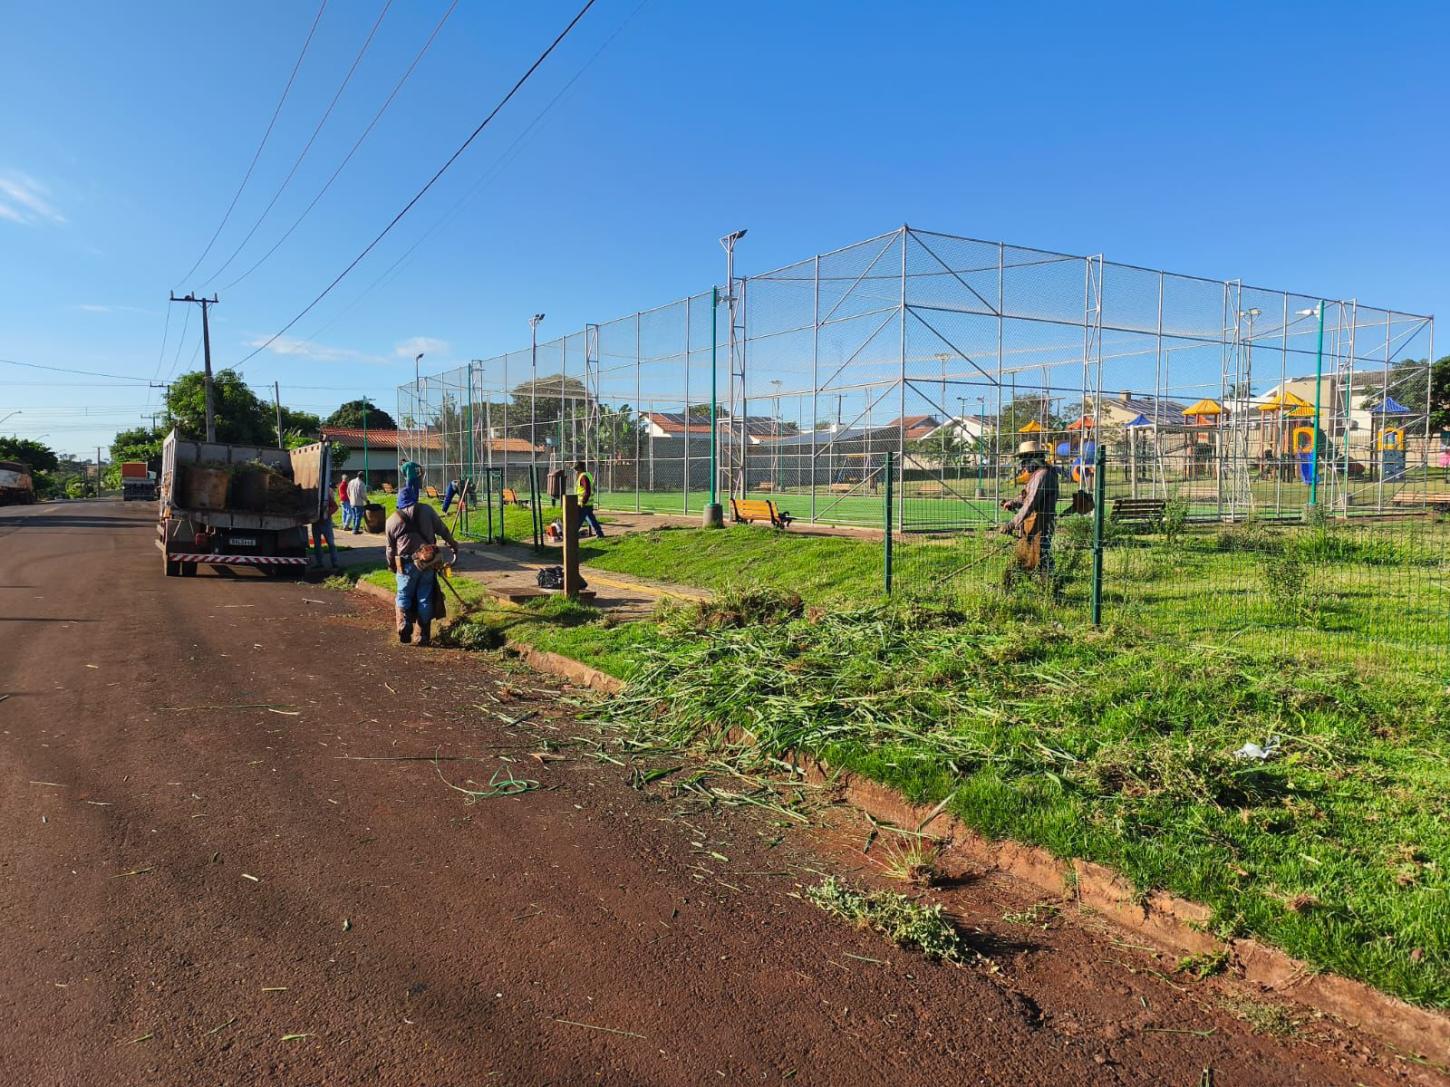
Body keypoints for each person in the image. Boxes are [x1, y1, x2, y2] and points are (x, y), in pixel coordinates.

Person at [385, 479, 459, 647]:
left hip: (405, 565)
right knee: (425, 597)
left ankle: (403, 624)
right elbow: (442, 529)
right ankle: (422, 636)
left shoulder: (392, 520)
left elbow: (390, 549)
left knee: (404, 595)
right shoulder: (426, 510)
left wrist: (391, 565)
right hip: (427, 563)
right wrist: (453, 544)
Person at [1000, 441, 1060, 587]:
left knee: (1041, 557)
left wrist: (1012, 524)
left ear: (1034, 458)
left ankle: (1050, 591)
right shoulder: (1038, 474)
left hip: (1042, 524)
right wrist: (1012, 502)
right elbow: (1026, 497)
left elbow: (1030, 503)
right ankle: (1011, 586)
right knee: (1030, 556)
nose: (1024, 465)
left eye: (1025, 461)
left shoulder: (1043, 475)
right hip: (1034, 523)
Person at [574, 460, 604, 538]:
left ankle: (571, 535)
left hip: (584, 503)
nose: (576, 471)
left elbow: (587, 491)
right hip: (588, 503)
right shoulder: (588, 475)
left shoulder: (583, 477)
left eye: (576, 469)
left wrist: (583, 501)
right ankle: (599, 533)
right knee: (591, 519)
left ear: (580, 468)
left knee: (578, 521)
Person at [312, 493, 340, 570]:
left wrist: (327, 514)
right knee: (317, 544)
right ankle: (319, 563)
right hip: (316, 522)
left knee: (331, 543)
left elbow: (335, 507)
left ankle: (335, 563)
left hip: (326, 522)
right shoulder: (312, 496)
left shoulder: (326, 496)